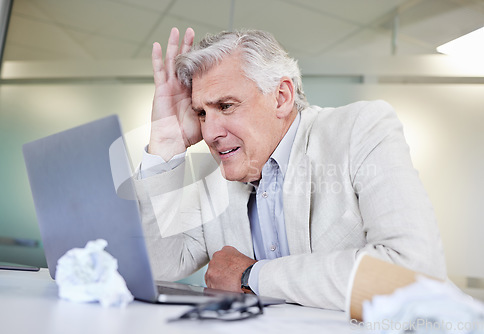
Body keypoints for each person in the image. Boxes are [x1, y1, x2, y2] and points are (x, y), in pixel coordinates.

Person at [133, 27, 446, 310]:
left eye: (226, 106)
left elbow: (413, 273)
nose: (210, 132)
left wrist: (251, 275)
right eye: (201, 112)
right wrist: (165, 144)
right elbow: (160, 266)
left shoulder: (360, 131)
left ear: (281, 98)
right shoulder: (215, 178)